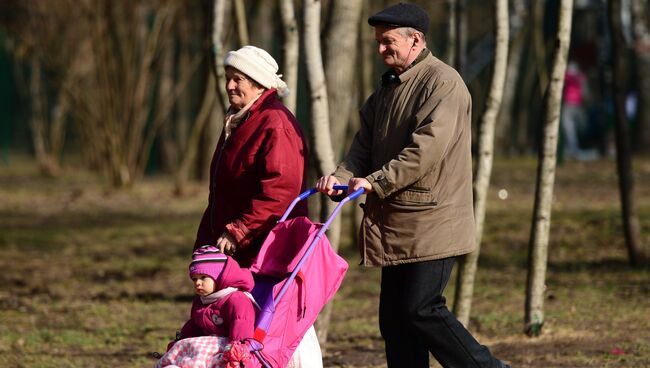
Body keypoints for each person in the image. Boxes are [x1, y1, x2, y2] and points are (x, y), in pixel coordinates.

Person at [316, 3, 510, 368]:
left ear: (415, 40)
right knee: (394, 322)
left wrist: (374, 183)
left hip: (434, 221)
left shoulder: (443, 84)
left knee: (422, 310)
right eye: (377, 42)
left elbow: (425, 151)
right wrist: (339, 178)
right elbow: (363, 147)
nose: (380, 50)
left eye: (387, 42)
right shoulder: (387, 89)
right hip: (398, 224)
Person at [193, 45, 321, 367]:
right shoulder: (241, 120)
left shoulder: (275, 123)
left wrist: (239, 230)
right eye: (228, 78)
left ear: (260, 83)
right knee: (237, 322)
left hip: (267, 250)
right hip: (235, 246)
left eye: (238, 79)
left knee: (280, 323)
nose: (230, 86)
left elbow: (280, 191)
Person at [157, 245, 260, 368]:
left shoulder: (236, 299)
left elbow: (241, 324)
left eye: (203, 277)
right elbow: (195, 324)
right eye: (194, 279)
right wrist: (180, 340)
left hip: (231, 347)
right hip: (210, 345)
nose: (197, 283)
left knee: (199, 353)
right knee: (186, 348)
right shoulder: (201, 301)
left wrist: (237, 351)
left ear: (220, 278)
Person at [561, 61, 590, 160]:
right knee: (573, 128)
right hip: (577, 104)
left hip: (571, 104)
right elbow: (585, 91)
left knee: (569, 128)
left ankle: (573, 148)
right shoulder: (581, 77)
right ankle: (572, 149)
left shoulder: (566, 76)